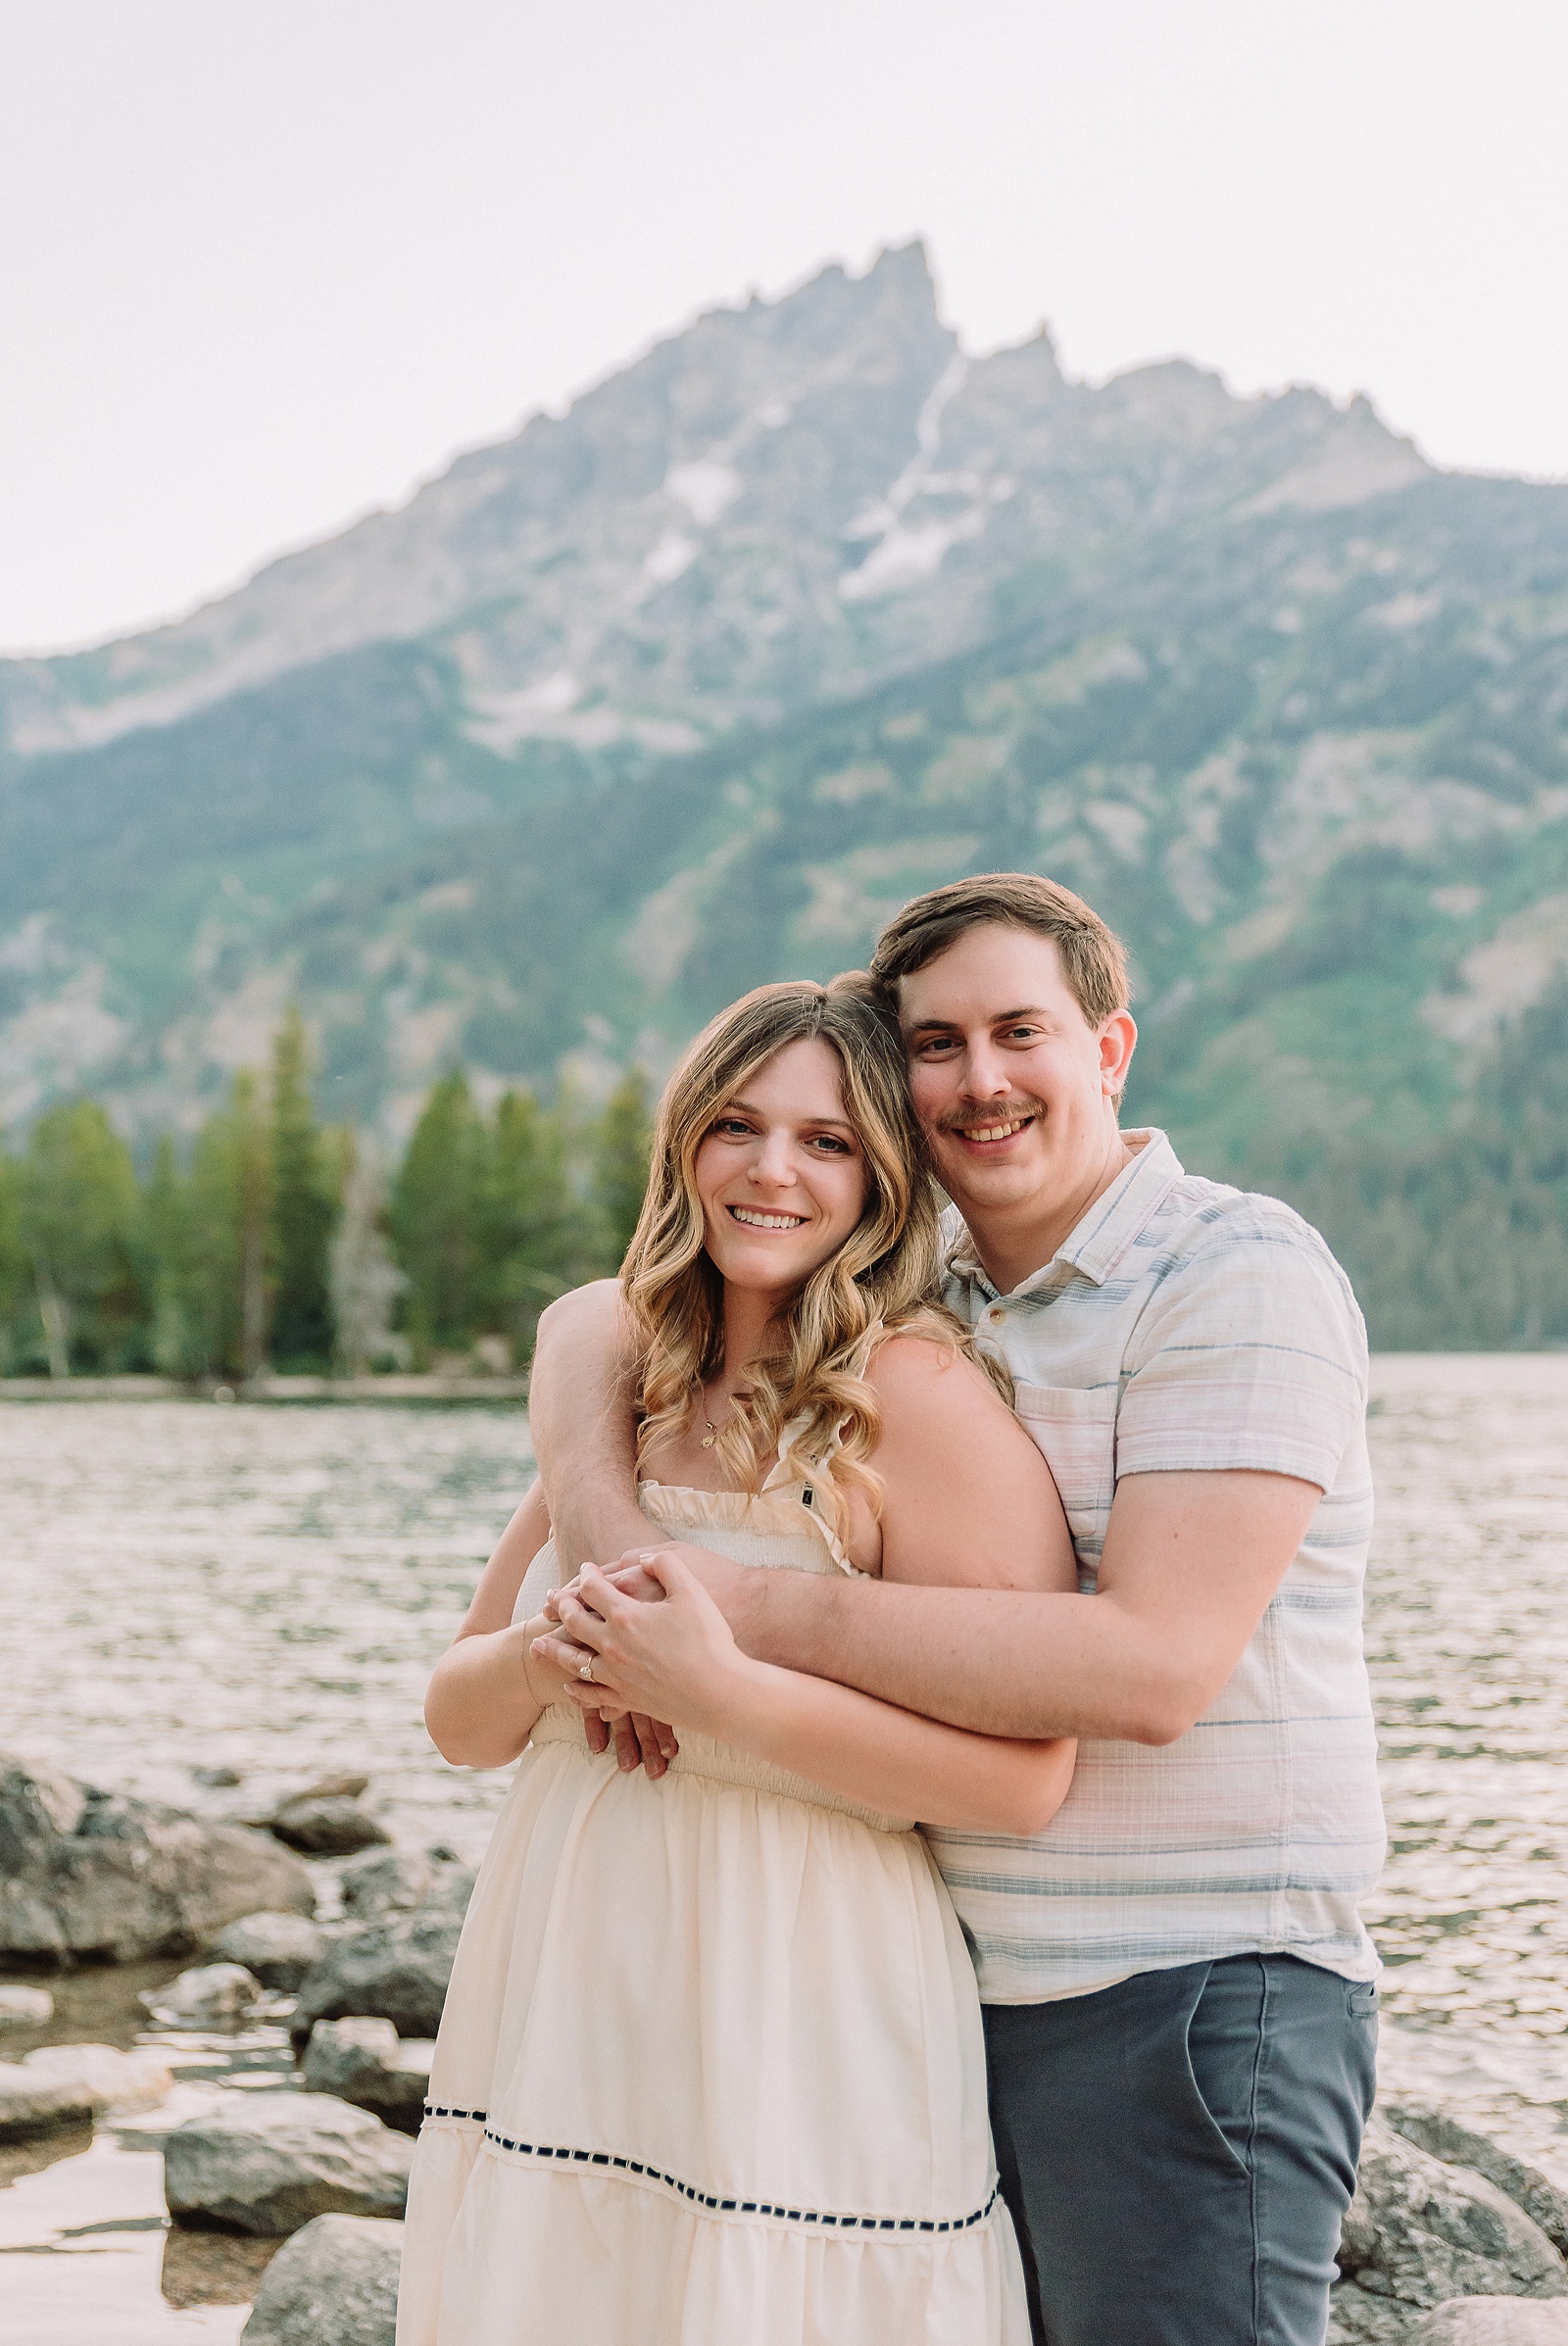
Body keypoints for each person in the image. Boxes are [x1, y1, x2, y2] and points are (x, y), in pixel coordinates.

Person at [534, 873, 1386, 2346]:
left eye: (1018, 1032)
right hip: (944, 1981)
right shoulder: (920, 1290)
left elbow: (1152, 1669)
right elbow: (597, 1318)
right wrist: (611, 1535)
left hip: (1189, 1992)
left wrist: (731, 1615)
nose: (981, 1080)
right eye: (936, 1044)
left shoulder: (1231, 1274)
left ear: (1109, 1049)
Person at [397, 973, 1081, 2346]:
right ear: (684, 1144)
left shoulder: (913, 1399)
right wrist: (556, 1656)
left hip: (800, 1993)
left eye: (827, 1142)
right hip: (568, 1978)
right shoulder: (628, 1388)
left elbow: (1022, 1782)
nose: (773, 1170)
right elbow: (459, 1719)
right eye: (737, 1126)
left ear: (881, 1179)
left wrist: (718, 1694)